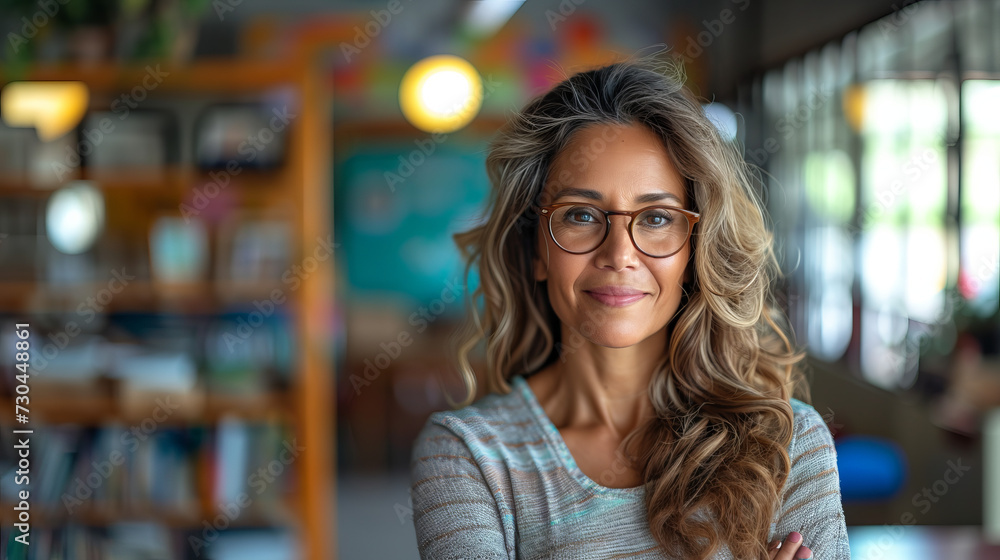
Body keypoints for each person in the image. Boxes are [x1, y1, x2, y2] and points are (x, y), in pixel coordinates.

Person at [409, 55, 850, 560]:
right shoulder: (468, 457)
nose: (619, 254)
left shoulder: (787, 445)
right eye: (581, 214)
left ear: (695, 248)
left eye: (658, 218)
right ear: (536, 250)